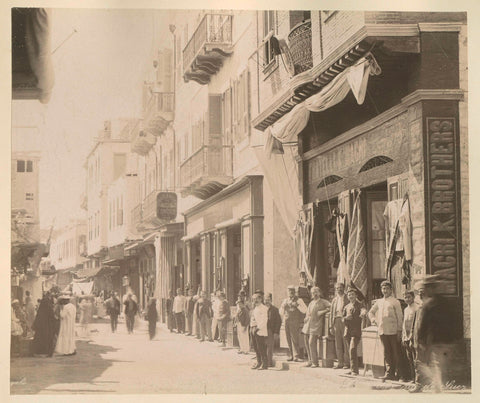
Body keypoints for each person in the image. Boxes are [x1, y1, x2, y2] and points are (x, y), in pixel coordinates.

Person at [409, 276, 457, 393]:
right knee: (436, 365)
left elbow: (422, 325)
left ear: (431, 289)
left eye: (426, 288)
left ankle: (436, 387)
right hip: (443, 341)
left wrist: (421, 340)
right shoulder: (445, 302)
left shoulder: (429, 304)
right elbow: (455, 320)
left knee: (432, 365)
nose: (424, 291)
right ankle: (436, 386)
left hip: (435, 341)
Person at [368, 280, 403, 381]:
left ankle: (398, 373)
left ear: (391, 290)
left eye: (387, 288)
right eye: (383, 288)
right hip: (382, 330)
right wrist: (373, 319)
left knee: (396, 353)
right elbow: (371, 312)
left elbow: (399, 317)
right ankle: (389, 373)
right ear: (381, 290)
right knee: (387, 353)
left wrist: (399, 331)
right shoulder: (379, 302)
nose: (385, 290)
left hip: (393, 331)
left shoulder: (395, 302)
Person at [302, 287, 330, 368]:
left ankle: (315, 362)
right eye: (313, 292)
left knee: (311, 342)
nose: (314, 294)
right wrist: (306, 317)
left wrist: (323, 311)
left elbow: (331, 307)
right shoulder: (311, 303)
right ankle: (310, 360)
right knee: (306, 342)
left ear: (319, 293)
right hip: (308, 324)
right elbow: (308, 313)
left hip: (316, 325)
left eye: (316, 292)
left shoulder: (323, 302)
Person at [343, 288, 367, 375]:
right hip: (348, 331)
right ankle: (353, 369)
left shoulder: (360, 305)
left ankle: (354, 370)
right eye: (349, 295)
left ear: (356, 296)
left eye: (353, 294)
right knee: (350, 350)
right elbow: (342, 318)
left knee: (352, 349)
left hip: (356, 331)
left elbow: (363, 310)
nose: (351, 296)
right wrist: (346, 318)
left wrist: (363, 313)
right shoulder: (346, 306)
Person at [279, 285, 307, 362]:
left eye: (292, 291)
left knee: (295, 339)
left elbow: (305, 310)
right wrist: (283, 307)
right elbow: (280, 313)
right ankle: (291, 355)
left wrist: (297, 305)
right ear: (287, 292)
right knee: (288, 338)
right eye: (289, 291)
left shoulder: (299, 300)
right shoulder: (285, 300)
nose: (291, 293)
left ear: (295, 292)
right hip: (287, 321)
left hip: (295, 321)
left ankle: (296, 356)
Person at [329, 283, 350, 369]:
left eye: (340, 288)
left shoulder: (347, 298)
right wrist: (331, 325)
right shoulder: (334, 300)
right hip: (336, 320)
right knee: (338, 343)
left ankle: (346, 363)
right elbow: (331, 313)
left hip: (344, 320)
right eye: (337, 288)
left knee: (345, 342)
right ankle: (340, 362)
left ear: (343, 288)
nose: (339, 289)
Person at [32, 292, 57, 357]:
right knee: (48, 338)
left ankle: (39, 351)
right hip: (48, 327)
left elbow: (37, 319)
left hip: (41, 327)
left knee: (40, 338)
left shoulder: (41, 310)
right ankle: (47, 352)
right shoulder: (49, 308)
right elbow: (52, 317)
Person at [402, 290, 418, 382]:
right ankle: (413, 377)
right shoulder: (406, 309)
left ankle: (418, 378)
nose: (407, 299)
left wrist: (412, 336)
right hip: (406, 336)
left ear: (413, 297)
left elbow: (416, 323)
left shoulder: (417, 308)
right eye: (405, 297)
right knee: (410, 358)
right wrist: (404, 336)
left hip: (414, 336)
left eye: (409, 297)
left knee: (416, 358)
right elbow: (404, 323)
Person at [250, 292, 269, 370]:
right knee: (256, 347)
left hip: (260, 330)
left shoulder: (264, 308)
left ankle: (265, 364)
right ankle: (259, 362)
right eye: (254, 299)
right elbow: (253, 319)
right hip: (253, 329)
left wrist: (258, 328)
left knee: (261, 347)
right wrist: (251, 328)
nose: (255, 301)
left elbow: (264, 320)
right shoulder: (255, 308)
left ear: (261, 299)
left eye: (257, 299)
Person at [265, 293, 282, 367]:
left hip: (270, 330)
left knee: (269, 347)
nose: (266, 302)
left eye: (268, 300)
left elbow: (278, 321)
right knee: (262, 347)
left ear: (271, 300)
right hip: (261, 330)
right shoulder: (262, 308)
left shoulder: (275, 310)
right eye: (265, 300)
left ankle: (269, 362)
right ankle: (263, 361)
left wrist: (276, 332)